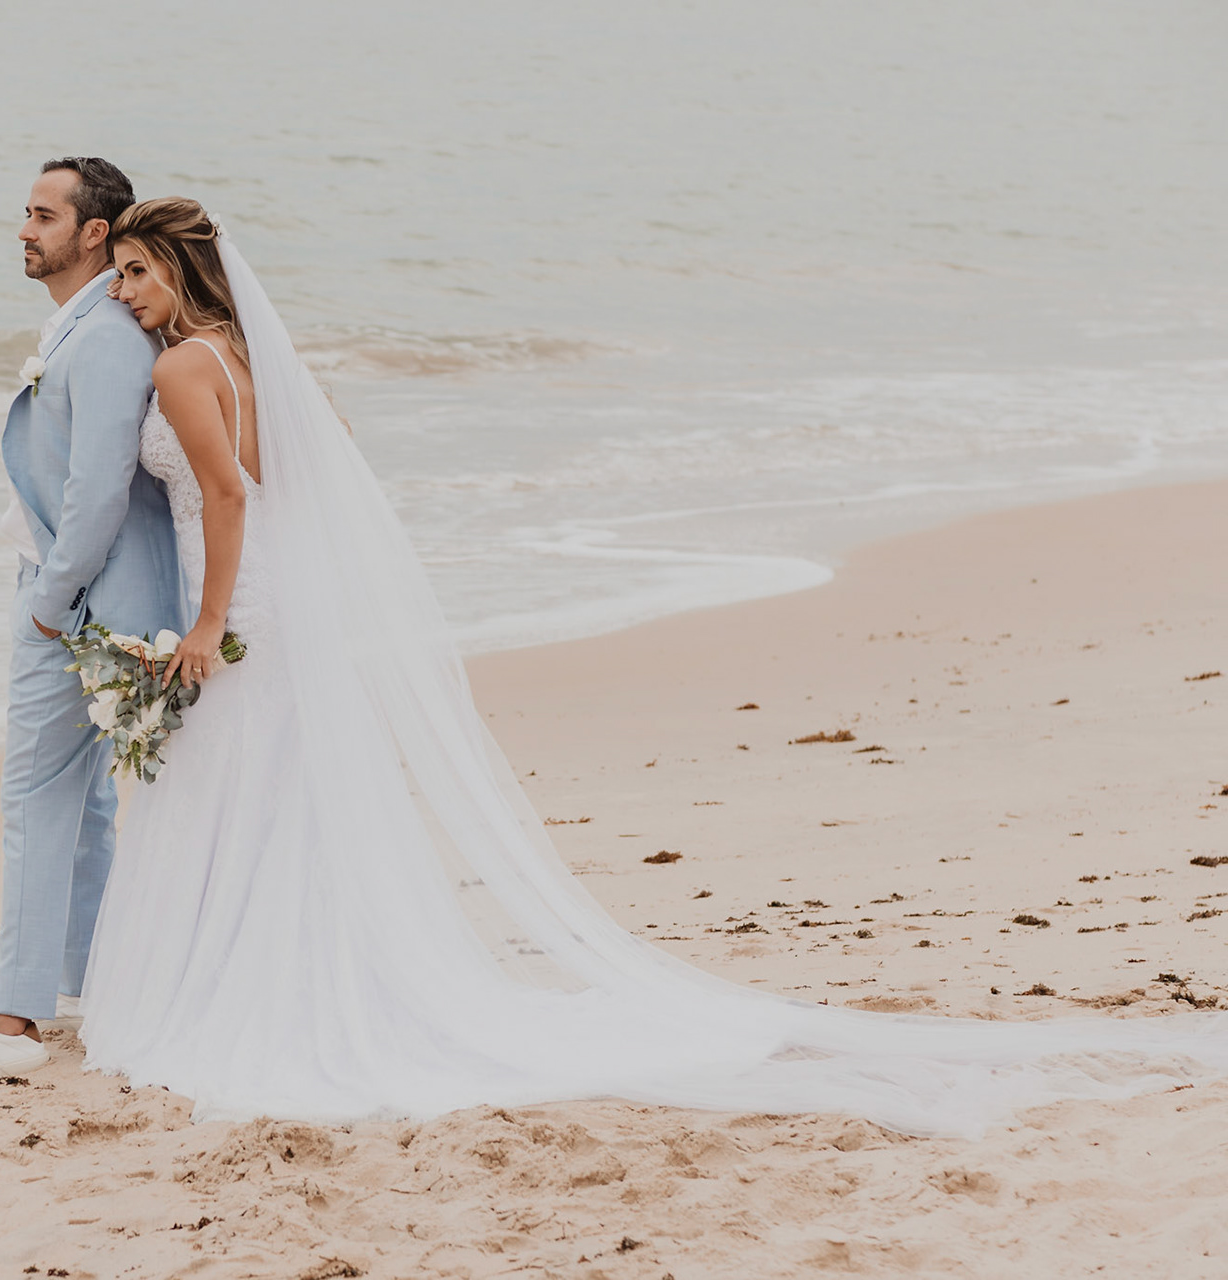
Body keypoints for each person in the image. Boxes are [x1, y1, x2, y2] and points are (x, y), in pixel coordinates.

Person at [73, 195, 1228, 1137]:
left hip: (241, 605)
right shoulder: (250, 357)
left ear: (178, 270)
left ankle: (247, 992)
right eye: (114, 274)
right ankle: (295, 970)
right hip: (293, 599)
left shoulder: (184, 370)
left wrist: (208, 622)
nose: (120, 293)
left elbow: (224, 492)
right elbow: (327, 467)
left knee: (239, 782)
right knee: (287, 788)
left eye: (132, 272)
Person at [0, 159, 183, 1091]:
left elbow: (100, 489)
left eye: (43, 214)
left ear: (94, 233)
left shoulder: (103, 336)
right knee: (86, 804)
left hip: (79, 603)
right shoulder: (88, 323)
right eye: (24, 211)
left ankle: (10, 1020)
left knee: (36, 800)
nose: (24, 229)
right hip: (95, 596)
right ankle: (90, 982)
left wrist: (50, 603)